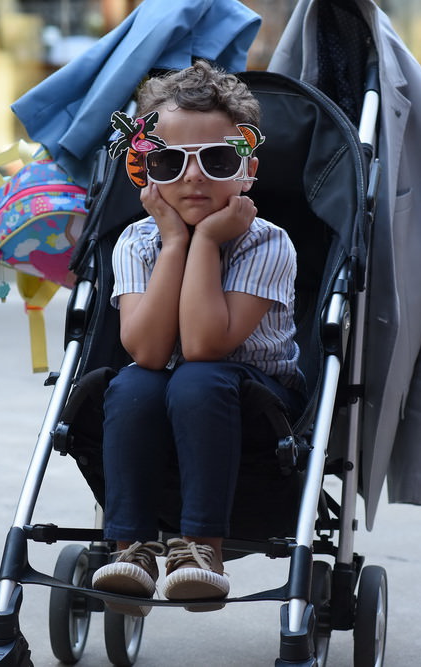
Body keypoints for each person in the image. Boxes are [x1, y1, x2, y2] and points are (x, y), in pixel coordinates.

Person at [90, 61, 305, 616]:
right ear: (143, 170)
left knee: (198, 376)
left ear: (247, 170)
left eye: (217, 160)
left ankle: (202, 551)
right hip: (170, 390)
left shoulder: (265, 244)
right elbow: (147, 349)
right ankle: (131, 549)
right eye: (167, 161)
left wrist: (207, 240)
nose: (193, 178)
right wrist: (173, 243)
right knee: (134, 382)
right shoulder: (137, 242)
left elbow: (209, 345)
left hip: (255, 403)